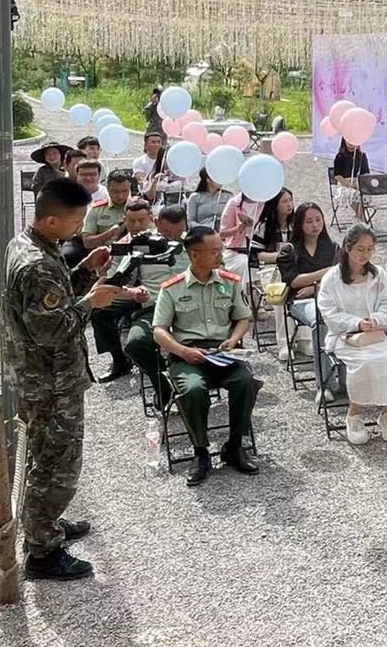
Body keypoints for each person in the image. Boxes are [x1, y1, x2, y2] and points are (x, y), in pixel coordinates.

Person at [1, 178, 128, 580]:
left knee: (46, 456)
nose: (80, 229)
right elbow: (51, 329)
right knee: (58, 465)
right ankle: (42, 552)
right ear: (52, 220)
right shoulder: (37, 264)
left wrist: (84, 271)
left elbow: (52, 299)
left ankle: (44, 524)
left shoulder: (29, 243)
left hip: (43, 376)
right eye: (76, 222)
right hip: (51, 381)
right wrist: (92, 302)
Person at [151, 227, 261, 486]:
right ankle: (201, 451)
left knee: (246, 381)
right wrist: (183, 351)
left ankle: (234, 446)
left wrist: (234, 339)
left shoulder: (230, 282)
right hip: (187, 355)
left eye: (220, 249)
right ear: (194, 255)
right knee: (193, 390)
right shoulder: (172, 289)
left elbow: (244, 318)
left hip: (223, 353)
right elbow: (159, 331)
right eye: (214, 251)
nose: (220, 255)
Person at [317, 224, 387, 445]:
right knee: (367, 362)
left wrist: (375, 320)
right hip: (346, 336)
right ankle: (354, 415)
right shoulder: (332, 278)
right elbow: (328, 312)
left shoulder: (378, 275)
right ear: (348, 247)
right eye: (360, 249)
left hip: (376, 334)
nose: (365, 254)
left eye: (369, 249)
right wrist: (356, 323)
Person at [120, 203, 192, 399]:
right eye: (168, 232)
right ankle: (164, 384)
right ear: (157, 223)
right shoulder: (141, 245)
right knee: (135, 344)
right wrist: (134, 292)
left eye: (179, 231)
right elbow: (118, 282)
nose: (173, 237)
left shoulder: (194, 243)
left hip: (191, 306)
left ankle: (190, 381)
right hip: (154, 307)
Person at [87, 195, 155, 381]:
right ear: (125, 220)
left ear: (151, 218)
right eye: (131, 221)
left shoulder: (162, 241)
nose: (137, 225)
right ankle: (119, 359)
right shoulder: (120, 246)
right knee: (98, 309)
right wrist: (104, 272)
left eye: (141, 220)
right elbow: (112, 283)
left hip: (157, 295)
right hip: (130, 294)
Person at [278, 201, 336, 362]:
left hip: (328, 297)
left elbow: (339, 277)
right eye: (309, 221)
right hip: (300, 301)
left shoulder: (333, 248)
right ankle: (324, 364)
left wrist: (314, 288)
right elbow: (294, 281)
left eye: (318, 220)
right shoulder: (289, 250)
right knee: (320, 316)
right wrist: (325, 272)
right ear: (299, 224)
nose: (315, 225)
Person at [81, 167, 133, 248]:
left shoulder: (140, 208)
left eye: (124, 191)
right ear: (108, 188)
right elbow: (87, 243)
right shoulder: (97, 210)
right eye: (115, 191)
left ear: (129, 187)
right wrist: (110, 233)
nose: (120, 196)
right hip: (106, 252)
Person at [331, 136, 371, 221]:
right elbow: (337, 175)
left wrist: (360, 182)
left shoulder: (362, 156)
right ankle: (359, 217)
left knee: (365, 194)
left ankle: (358, 216)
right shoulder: (340, 156)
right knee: (355, 194)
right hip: (344, 184)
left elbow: (366, 172)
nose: (351, 143)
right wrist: (349, 184)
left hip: (359, 183)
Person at [131, 133, 181, 199]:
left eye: (159, 142)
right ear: (146, 145)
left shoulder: (169, 161)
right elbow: (142, 181)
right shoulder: (139, 161)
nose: (157, 145)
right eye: (153, 142)